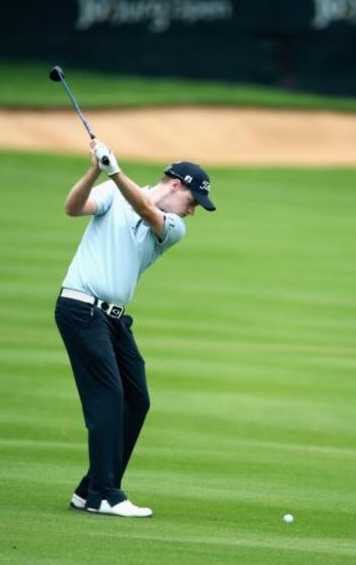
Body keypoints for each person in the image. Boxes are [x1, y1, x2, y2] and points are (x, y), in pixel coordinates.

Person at [54, 140, 215, 518]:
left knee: (136, 399)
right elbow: (73, 208)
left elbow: (143, 209)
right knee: (109, 395)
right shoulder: (112, 190)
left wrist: (113, 170)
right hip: (80, 307)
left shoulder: (173, 227)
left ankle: (89, 487)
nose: (192, 212)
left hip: (111, 318)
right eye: (193, 201)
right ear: (176, 185)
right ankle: (106, 494)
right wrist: (96, 169)